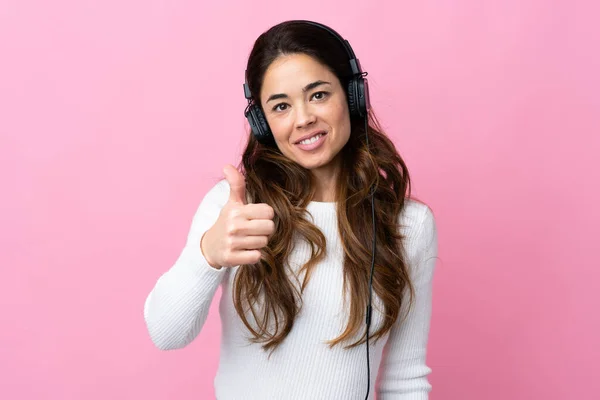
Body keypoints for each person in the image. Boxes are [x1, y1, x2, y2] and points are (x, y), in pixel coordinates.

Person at [144, 20, 438, 400]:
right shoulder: (234, 210)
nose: (303, 119)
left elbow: (405, 378)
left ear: (353, 96)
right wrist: (207, 255)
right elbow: (166, 334)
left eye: (318, 95)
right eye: (281, 106)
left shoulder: (409, 225)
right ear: (262, 123)